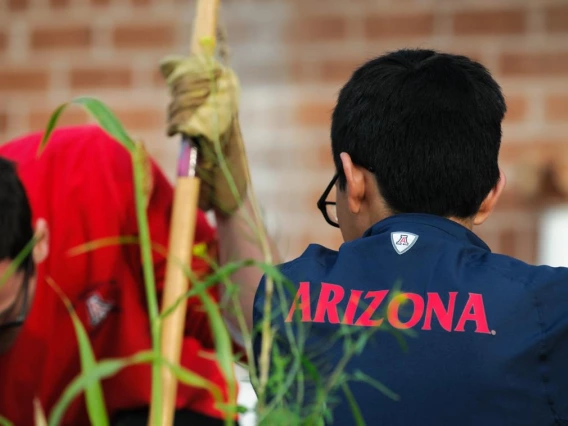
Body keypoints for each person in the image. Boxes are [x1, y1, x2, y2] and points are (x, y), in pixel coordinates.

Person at [252, 49, 568, 426]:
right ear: (490, 195)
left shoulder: (288, 293)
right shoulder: (549, 307)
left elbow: (247, 312)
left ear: (353, 184)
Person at [0, 122, 269, 425]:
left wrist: (234, 204)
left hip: (158, 407)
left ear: (40, 242)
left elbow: (249, 328)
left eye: (5, 323)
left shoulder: (94, 173)